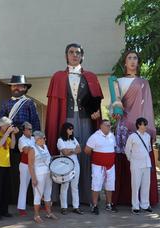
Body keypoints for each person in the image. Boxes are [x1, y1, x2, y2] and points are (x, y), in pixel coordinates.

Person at [45, 43, 103, 204]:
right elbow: (54, 107)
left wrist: (96, 113)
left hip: (85, 121)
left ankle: (84, 196)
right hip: (66, 119)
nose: (74, 55)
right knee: (66, 153)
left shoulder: (91, 77)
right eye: (71, 52)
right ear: (66, 56)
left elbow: (96, 103)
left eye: (78, 52)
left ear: (82, 56)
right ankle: (63, 198)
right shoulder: (57, 76)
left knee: (84, 153)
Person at [111, 51, 158, 207]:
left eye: (135, 58)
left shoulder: (144, 82)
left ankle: (144, 201)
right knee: (125, 160)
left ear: (138, 62)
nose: (132, 61)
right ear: (124, 63)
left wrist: (149, 129)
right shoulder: (117, 81)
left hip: (140, 128)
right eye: (129, 58)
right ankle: (125, 199)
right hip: (123, 127)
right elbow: (114, 104)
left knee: (142, 165)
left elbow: (148, 108)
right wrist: (115, 113)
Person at [0, 74, 41, 204]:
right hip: (10, 136)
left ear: (24, 88)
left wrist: (36, 139)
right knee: (11, 167)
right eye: (14, 85)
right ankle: (12, 197)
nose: (16, 87)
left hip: (25, 137)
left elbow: (35, 122)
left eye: (19, 85)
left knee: (27, 165)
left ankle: (28, 199)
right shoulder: (5, 103)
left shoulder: (29, 103)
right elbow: (1, 122)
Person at [0, 116, 18, 220]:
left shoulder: (6, 135)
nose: (9, 127)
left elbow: (12, 146)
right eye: (8, 126)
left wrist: (13, 134)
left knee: (6, 189)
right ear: (3, 125)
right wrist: (7, 133)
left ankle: (4, 210)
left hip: (6, 165)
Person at [85, 120, 117, 215]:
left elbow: (113, 148)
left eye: (109, 125)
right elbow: (87, 150)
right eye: (106, 125)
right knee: (96, 185)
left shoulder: (112, 136)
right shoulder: (94, 137)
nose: (109, 127)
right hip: (98, 166)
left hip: (110, 166)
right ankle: (94, 205)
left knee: (110, 185)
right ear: (101, 126)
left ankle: (108, 204)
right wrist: (98, 158)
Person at [125, 117, 153, 214]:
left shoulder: (148, 136)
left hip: (146, 163)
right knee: (136, 185)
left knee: (146, 185)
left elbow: (149, 149)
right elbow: (127, 150)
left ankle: (145, 204)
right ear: (138, 125)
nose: (145, 126)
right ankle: (135, 206)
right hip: (136, 164)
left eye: (146, 124)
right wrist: (132, 160)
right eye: (143, 124)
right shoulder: (132, 136)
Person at [28, 131, 57, 223]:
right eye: (44, 138)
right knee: (38, 195)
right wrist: (33, 178)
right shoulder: (32, 149)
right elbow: (30, 165)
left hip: (48, 173)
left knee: (48, 193)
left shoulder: (45, 147)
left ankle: (49, 212)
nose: (45, 139)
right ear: (38, 139)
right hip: (39, 174)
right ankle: (36, 215)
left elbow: (48, 159)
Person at [57, 122, 83, 215]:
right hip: (65, 166)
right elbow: (64, 152)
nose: (72, 130)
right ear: (65, 130)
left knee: (75, 186)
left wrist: (70, 150)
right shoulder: (60, 140)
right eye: (70, 128)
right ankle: (64, 207)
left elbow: (79, 150)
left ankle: (76, 207)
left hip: (75, 165)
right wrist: (73, 150)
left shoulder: (74, 139)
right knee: (65, 186)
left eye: (72, 128)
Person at [17, 122, 35, 216]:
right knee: (23, 186)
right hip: (25, 165)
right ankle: (21, 208)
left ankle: (38, 205)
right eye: (29, 129)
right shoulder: (21, 139)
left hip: (34, 165)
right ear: (23, 130)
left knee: (36, 185)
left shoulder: (33, 138)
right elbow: (26, 150)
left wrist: (32, 147)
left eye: (31, 129)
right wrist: (34, 147)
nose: (31, 130)